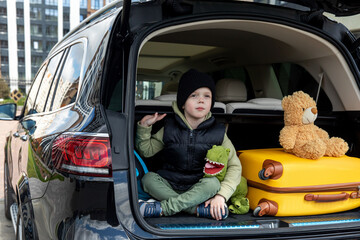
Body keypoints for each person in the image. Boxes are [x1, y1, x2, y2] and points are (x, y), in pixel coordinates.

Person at [136, 69, 241, 221]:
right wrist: (144, 127)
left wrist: (221, 196)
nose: (201, 100)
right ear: (183, 103)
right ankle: (195, 210)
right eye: (194, 95)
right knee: (148, 179)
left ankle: (164, 209)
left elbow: (235, 166)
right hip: (169, 184)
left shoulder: (218, 132)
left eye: (207, 96)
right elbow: (146, 151)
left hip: (199, 187)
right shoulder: (170, 128)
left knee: (212, 184)